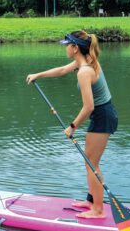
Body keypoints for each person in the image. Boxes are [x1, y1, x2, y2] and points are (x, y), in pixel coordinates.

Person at [26, 30, 119, 219]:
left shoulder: (84, 72)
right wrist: (39, 74)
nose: (65, 48)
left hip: (103, 115)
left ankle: (98, 211)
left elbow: (89, 107)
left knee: (93, 164)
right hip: (102, 114)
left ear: (75, 48)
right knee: (89, 162)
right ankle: (91, 201)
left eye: (67, 45)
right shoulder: (85, 62)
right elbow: (61, 71)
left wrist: (72, 126)